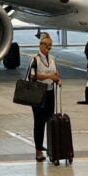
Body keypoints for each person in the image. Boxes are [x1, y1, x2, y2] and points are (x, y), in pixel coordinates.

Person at [30, 34, 61, 162]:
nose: (49, 47)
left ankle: (51, 149)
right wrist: (48, 77)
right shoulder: (35, 59)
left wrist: (57, 79)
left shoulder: (52, 59)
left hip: (50, 93)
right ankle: (38, 151)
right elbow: (33, 76)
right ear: (41, 45)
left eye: (51, 45)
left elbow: (55, 73)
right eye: (47, 45)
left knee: (50, 120)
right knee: (39, 123)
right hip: (38, 94)